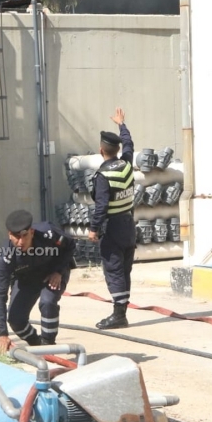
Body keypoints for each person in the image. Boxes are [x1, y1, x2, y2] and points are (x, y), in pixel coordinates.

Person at [0, 210, 76, 351]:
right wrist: (2, 334)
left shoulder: (48, 233)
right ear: (9, 235)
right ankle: (38, 345)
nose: (20, 242)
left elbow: (70, 244)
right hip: (27, 278)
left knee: (47, 302)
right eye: (16, 237)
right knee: (16, 320)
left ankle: (49, 346)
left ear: (31, 232)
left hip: (52, 272)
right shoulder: (6, 257)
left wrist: (58, 271)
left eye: (24, 236)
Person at [88, 107, 137, 330]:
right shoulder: (126, 165)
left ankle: (119, 316)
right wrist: (122, 125)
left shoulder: (103, 175)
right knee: (124, 270)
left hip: (113, 228)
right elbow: (129, 145)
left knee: (114, 270)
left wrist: (93, 229)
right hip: (128, 225)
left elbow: (101, 206)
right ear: (117, 150)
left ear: (101, 150)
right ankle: (121, 312)